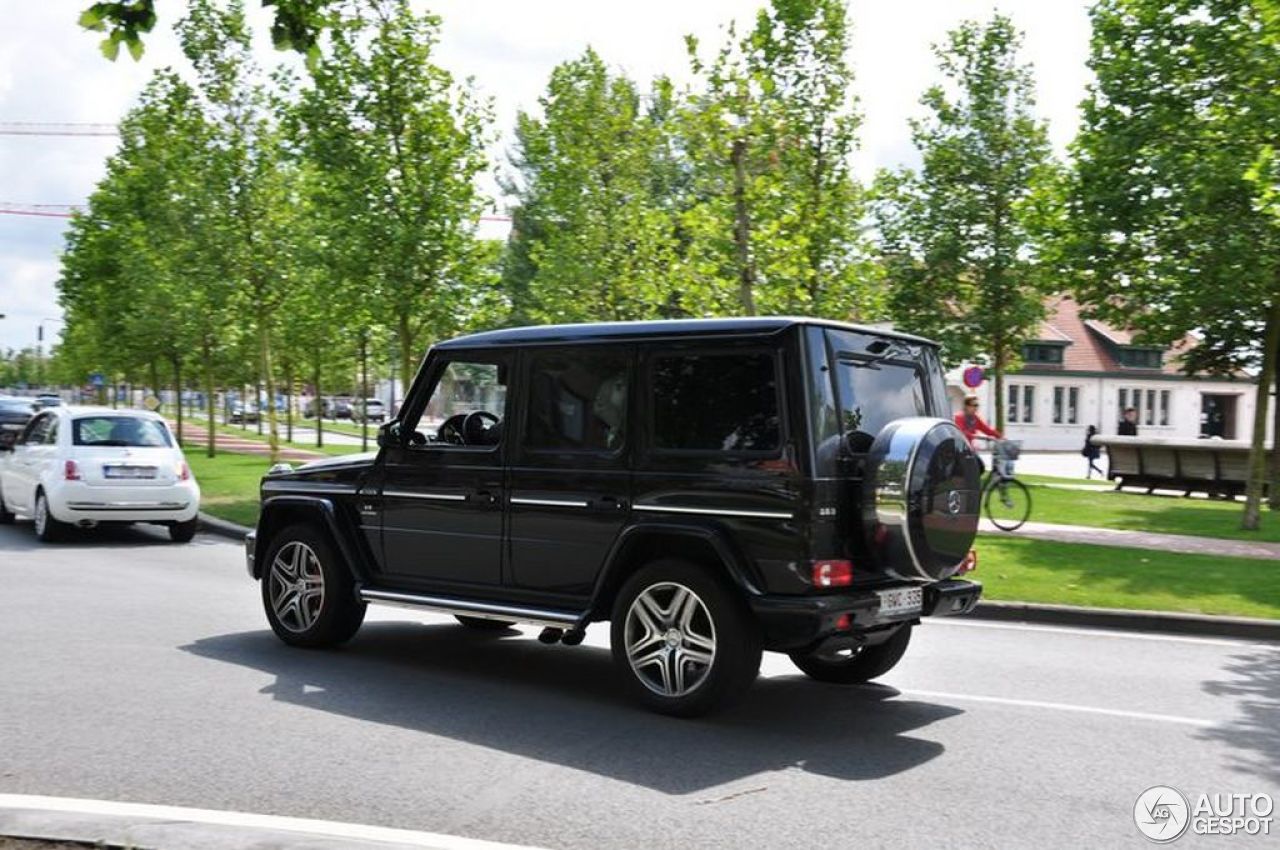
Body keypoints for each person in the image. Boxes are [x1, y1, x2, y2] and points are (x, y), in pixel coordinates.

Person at [954, 395, 1002, 473]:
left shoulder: (975, 418)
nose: (976, 408)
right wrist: (977, 436)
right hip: (957, 450)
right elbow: (962, 432)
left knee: (980, 468)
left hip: (968, 449)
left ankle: (969, 484)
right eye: (974, 405)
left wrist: (1000, 436)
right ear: (966, 406)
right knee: (967, 471)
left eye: (977, 405)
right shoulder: (959, 417)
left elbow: (987, 429)